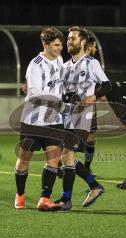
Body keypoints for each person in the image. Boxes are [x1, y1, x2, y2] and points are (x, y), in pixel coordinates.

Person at [51, 26, 112, 210]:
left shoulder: (91, 63)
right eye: (68, 38)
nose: (69, 41)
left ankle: (66, 200)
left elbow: (108, 86)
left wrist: (94, 96)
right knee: (66, 157)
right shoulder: (65, 66)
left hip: (82, 116)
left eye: (73, 38)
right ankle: (94, 186)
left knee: (67, 155)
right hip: (66, 115)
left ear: (83, 41)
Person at [14, 26, 66, 210]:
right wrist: (56, 100)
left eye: (61, 44)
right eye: (57, 45)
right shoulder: (35, 64)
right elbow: (34, 91)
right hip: (33, 121)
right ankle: (20, 194)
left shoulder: (60, 60)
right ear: (45, 44)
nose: (61, 48)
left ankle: (44, 198)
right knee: (25, 157)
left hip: (55, 120)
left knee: (53, 158)